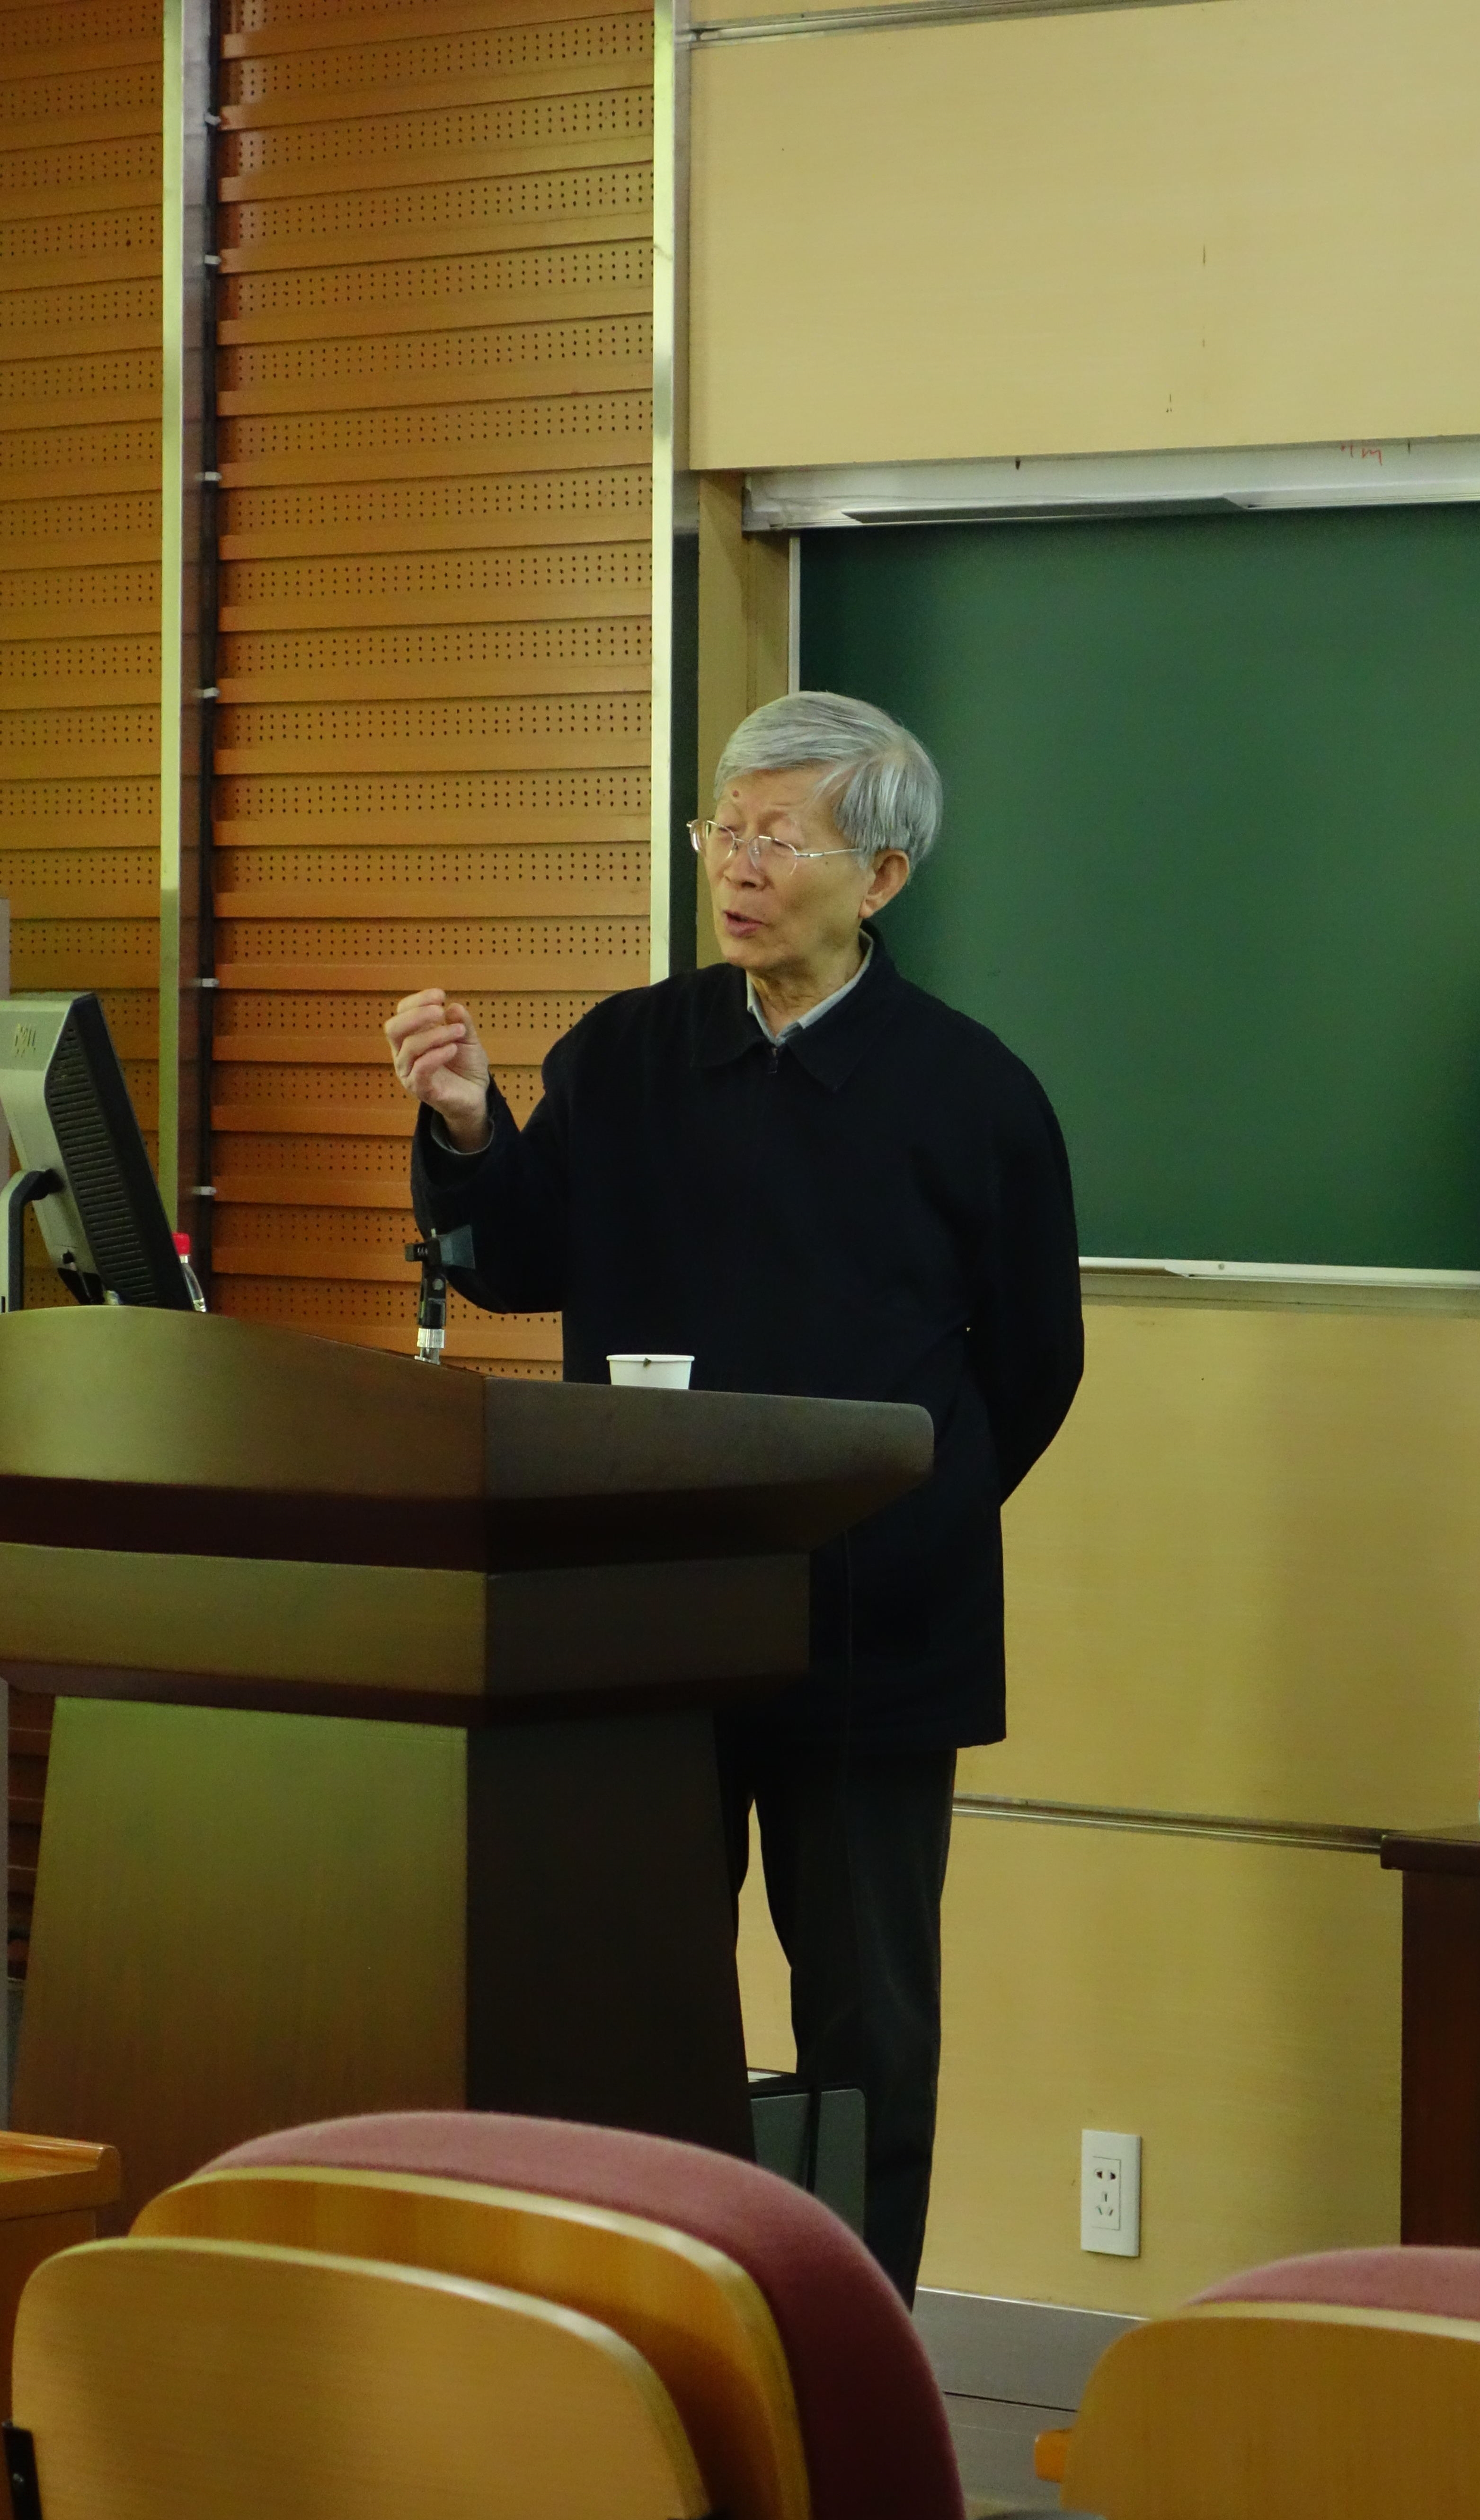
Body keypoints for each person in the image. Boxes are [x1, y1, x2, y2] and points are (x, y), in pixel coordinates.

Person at [385, 690, 1083, 2302]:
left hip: (874, 1637)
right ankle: (636, 2317)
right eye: (726, 829)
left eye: (782, 837)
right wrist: (472, 1122)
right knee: (633, 2008)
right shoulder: (627, 1053)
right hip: (646, 1625)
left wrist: (908, 1514)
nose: (741, 866)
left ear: (883, 875)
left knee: (867, 2029)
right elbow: (515, 1261)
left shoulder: (972, 1092)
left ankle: (853, 2337)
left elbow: (1034, 1367)